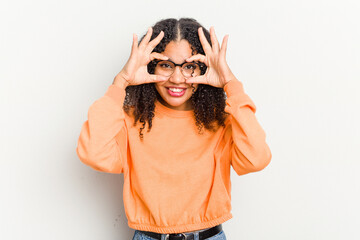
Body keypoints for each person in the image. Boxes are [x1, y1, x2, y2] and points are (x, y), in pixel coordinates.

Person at [76, 18, 272, 240]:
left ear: (203, 69)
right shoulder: (130, 120)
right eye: (166, 65)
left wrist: (230, 83)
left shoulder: (222, 120)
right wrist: (121, 81)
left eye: (189, 67)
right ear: (152, 66)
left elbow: (257, 159)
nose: (177, 78)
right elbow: (93, 153)